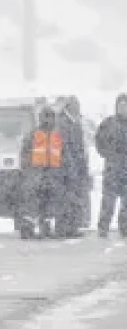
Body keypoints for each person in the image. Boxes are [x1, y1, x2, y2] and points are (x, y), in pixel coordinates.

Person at [19, 104, 65, 238]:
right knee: (32, 204)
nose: (47, 120)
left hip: (51, 175)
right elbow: (25, 154)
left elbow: (63, 155)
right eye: (45, 117)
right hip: (36, 174)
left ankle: (46, 228)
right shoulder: (33, 135)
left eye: (50, 117)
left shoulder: (57, 136)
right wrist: (28, 171)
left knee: (49, 204)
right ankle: (28, 229)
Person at [56, 95, 91, 238]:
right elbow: (65, 148)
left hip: (75, 166)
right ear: (69, 107)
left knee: (73, 198)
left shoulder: (73, 122)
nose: (78, 108)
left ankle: (71, 227)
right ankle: (66, 228)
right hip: (68, 169)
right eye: (75, 105)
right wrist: (71, 168)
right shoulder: (64, 123)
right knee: (68, 199)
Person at [96, 93, 127, 238]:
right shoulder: (108, 123)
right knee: (108, 200)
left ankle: (125, 227)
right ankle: (103, 227)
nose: (123, 108)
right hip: (112, 169)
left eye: (125, 105)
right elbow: (99, 141)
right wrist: (108, 155)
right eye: (121, 105)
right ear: (116, 107)